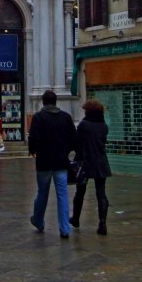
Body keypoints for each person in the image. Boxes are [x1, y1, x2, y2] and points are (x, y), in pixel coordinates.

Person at [28, 89, 77, 239]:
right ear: (56, 101)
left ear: (43, 102)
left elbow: (33, 137)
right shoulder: (66, 117)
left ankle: (38, 220)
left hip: (44, 161)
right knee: (62, 194)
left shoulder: (38, 117)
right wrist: (65, 151)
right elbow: (73, 139)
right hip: (61, 161)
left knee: (42, 192)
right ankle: (65, 229)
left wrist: (33, 151)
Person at [69, 99, 112, 235]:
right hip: (100, 162)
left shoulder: (84, 125)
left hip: (85, 162)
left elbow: (76, 142)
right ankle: (102, 222)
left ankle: (76, 218)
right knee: (101, 193)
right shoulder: (104, 126)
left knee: (80, 192)